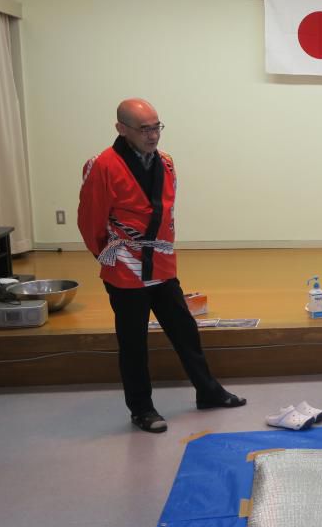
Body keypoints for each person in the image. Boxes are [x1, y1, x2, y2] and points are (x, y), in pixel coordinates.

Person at [78, 98, 245, 434]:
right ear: (121, 129)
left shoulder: (166, 163)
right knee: (133, 341)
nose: (153, 135)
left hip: (161, 265)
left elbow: (166, 214)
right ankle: (141, 408)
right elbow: (90, 222)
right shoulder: (102, 165)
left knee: (184, 329)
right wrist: (111, 257)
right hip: (125, 268)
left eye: (157, 127)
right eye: (144, 129)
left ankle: (208, 391)